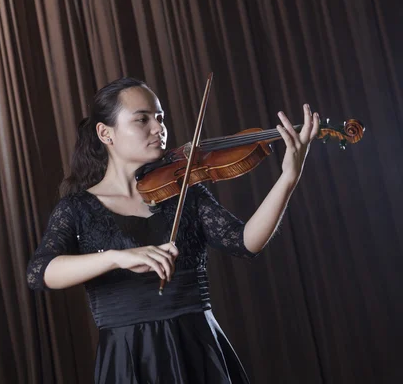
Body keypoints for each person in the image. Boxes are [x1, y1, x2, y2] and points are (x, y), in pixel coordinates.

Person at [26, 77, 320, 383]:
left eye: (160, 118)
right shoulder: (78, 208)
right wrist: (117, 257)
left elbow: (245, 242)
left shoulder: (186, 192)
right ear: (105, 133)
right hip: (130, 356)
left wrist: (288, 178)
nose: (158, 128)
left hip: (199, 345)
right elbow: (40, 272)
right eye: (142, 119)